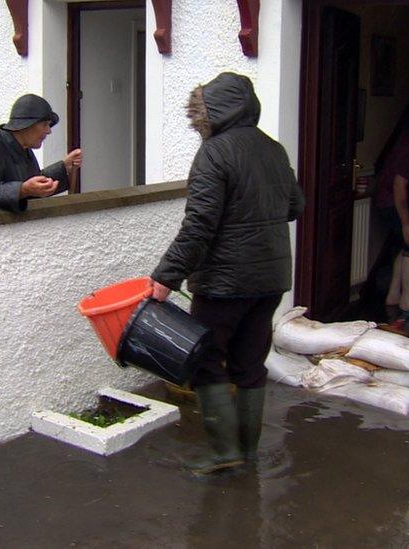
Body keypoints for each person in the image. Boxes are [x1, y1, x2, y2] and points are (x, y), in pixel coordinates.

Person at [150, 72, 305, 475]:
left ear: (211, 113)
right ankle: (248, 454)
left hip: (224, 282)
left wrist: (166, 276)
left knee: (203, 360)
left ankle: (225, 452)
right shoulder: (273, 149)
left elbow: (199, 224)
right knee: (250, 364)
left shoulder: (214, 153)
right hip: (270, 279)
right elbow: (295, 206)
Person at [0, 93, 82, 212]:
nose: (49, 131)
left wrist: (65, 167)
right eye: (45, 124)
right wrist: (22, 190)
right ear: (26, 125)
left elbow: (30, 183)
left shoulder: (23, 147)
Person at [373, 126, 409, 324]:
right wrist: (407, 223)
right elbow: (399, 185)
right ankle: (407, 300)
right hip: (391, 202)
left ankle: (394, 295)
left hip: (393, 201)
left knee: (404, 244)